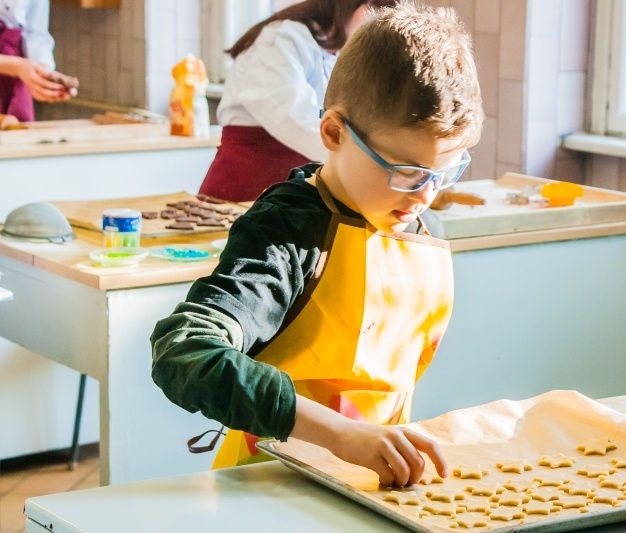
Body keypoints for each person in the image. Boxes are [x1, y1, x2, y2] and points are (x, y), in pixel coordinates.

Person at [151, 2, 483, 486]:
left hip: (371, 484)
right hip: (269, 487)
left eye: (444, 172)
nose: (425, 195)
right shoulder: (286, 231)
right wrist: (341, 435)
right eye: (406, 172)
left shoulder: (420, 227)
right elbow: (183, 351)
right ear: (333, 132)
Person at [198, 0, 397, 203]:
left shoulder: (335, 53)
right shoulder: (280, 38)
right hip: (244, 189)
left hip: (291, 193)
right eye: (378, 11)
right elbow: (295, 120)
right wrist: (366, 165)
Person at [0, 0, 75, 121]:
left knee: (18, 126)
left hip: (17, 68)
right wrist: (14, 66)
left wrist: (43, 76)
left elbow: (35, 33)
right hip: (16, 66)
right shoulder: (18, 66)